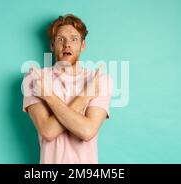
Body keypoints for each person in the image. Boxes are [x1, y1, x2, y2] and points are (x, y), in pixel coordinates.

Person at [22, 14, 113, 164]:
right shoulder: (34, 78)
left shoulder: (99, 80)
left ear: (83, 45)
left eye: (74, 39)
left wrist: (48, 96)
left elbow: (87, 131)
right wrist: (85, 97)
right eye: (60, 39)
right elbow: (48, 131)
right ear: (52, 45)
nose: (67, 44)